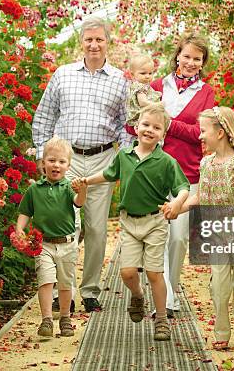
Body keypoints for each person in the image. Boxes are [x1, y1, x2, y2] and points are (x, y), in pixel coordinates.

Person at [32, 17, 131, 313]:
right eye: (89, 39)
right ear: (81, 42)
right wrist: (42, 155)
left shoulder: (120, 80)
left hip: (102, 161)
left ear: (108, 43)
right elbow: (44, 117)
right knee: (67, 229)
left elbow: (128, 125)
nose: (93, 44)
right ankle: (66, 291)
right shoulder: (63, 75)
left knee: (97, 230)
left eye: (99, 39)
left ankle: (90, 291)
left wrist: (123, 160)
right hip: (67, 161)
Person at [74, 103, 190, 341]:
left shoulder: (166, 161)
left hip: (155, 222)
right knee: (127, 273)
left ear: (163, 134)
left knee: (154, 272)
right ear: (136, 127)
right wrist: (86, 181)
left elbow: (183, 188)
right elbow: (107, 174)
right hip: (129, 223)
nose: (149, 130)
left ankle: (160, 320)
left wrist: (177, 203)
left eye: (156, 127)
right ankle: (137, 296)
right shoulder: (124, 156)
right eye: (145, 125)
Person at [126, 32, 215, 316]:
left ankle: (171, 288)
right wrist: (148, 125)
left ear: (202, 63)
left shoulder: (206, 93)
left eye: (196, 59)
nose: (190, 62)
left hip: (187, 174)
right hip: (152, 174)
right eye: (186, 56)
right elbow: (133, 125)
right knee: (158, 239)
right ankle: (165, 302)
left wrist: (167, 123)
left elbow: (201, 134)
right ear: (177, 55)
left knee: (178, 238)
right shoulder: (155, 87)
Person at [180, 106, 234, 349]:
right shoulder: (206, 163)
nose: (200, 136)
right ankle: (222, 332)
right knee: (219, 286)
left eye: (203, 131)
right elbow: (200, 198)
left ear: (221, 133)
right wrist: (176, 209)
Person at [15, 136, 88, 338]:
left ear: (68, 166)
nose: (56, 165)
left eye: (62, 162)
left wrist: (83, 191)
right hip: (43, 244)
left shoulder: (67, 188)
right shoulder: (34, 190)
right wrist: (20, 228)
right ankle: (46, 319)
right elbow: (25, 212)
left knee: (65, 284)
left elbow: (79, 203)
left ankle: (65, 317)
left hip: (66, 244)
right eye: (52, 160)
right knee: (45, 281)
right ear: (43, 163)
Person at [125, 54, 161, 126]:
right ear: (132, 74)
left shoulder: (134, 85)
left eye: (150, 73)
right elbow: (143, 102)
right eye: (143, 73)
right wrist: (157, 105)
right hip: (141, 116)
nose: (147, 76)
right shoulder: (140, 87)